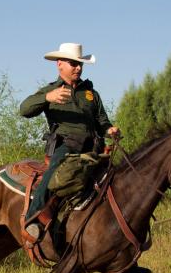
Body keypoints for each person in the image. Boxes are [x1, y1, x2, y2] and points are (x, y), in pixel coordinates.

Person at [20, 43, 119, 237]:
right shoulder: (50, 90)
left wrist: (110, 130)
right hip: (66, 146)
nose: (78, 68)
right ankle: (32, 220)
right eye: (73, 63)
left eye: (80, 64)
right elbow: (24, 109)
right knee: (53, 172)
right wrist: (48, 97)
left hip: (94, 148)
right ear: (59, 65)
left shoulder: (91, 94)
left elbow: (102, 122)